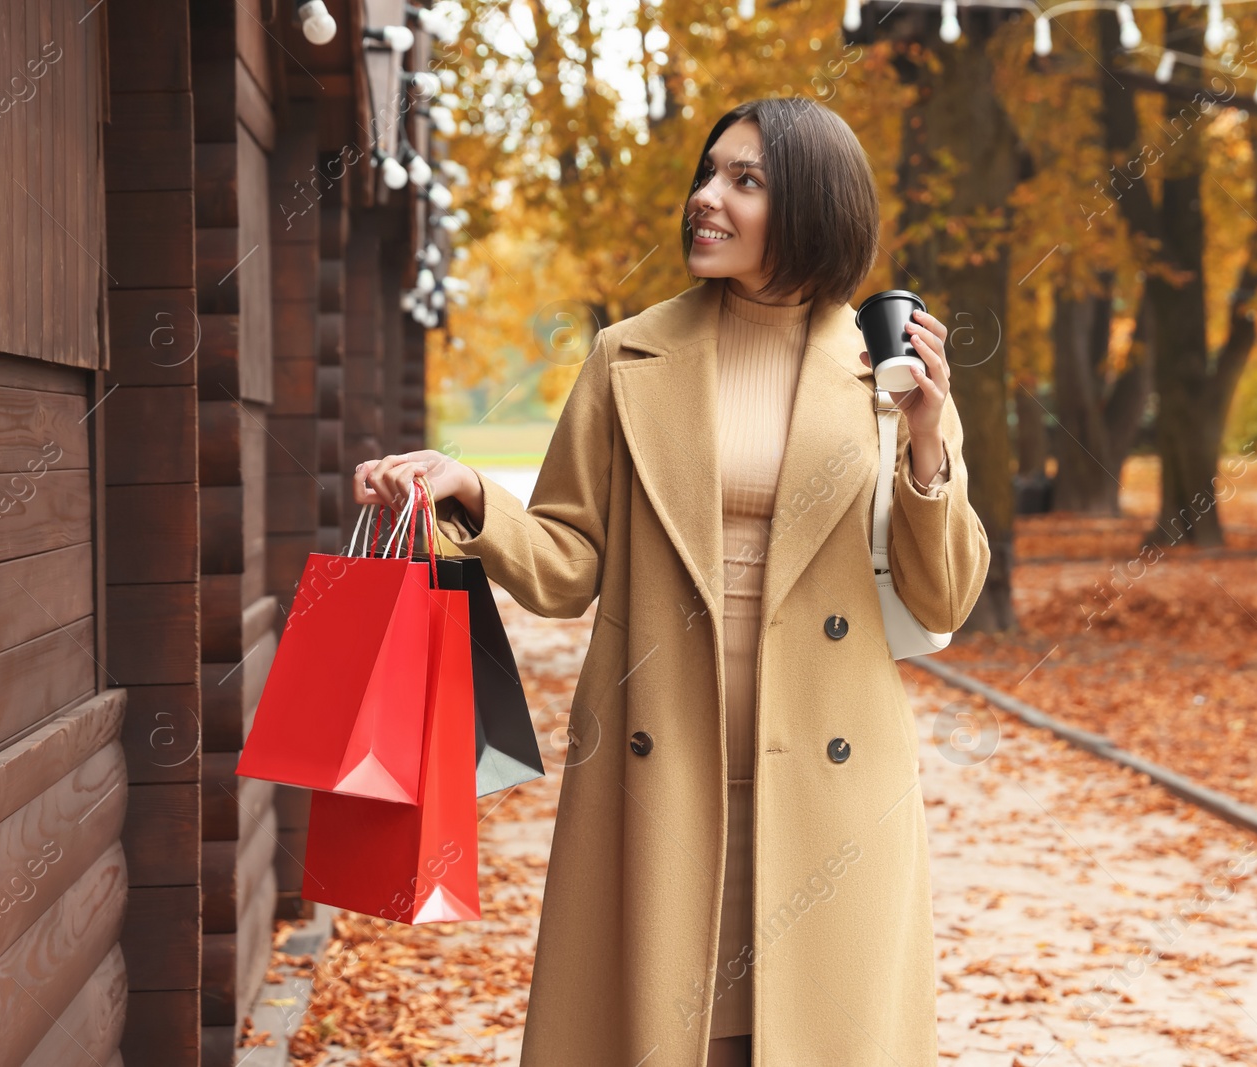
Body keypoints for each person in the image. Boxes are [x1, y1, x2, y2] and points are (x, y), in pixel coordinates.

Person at [355, 97, 989, 1067]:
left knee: (806, 1032)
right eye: (708, 174)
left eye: (744, 181)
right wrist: (471, 492)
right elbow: (569, 565)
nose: (706, 198)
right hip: (662, 763)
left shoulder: (880, 365)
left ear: (813, 207)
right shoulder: (627, 355)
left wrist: (928, 437)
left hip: (827, 775)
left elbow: (943, 595)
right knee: (673, 1029)